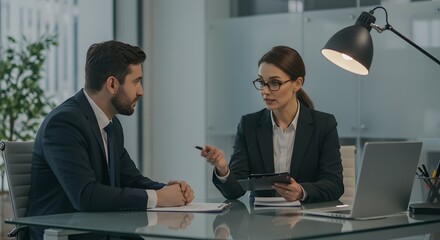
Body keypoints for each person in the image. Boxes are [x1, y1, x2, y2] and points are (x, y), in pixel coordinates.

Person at [26, 40, 194, 239]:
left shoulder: (110, 125)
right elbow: (85, 196)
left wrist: (169, 191)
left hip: (101, 231)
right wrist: (158, 198)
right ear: (112, 84)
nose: (141, 91)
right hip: (66, 235)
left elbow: (132, 180)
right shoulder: (64, 123)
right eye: (136, 81)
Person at [199, 46, 343, 203]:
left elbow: (334, 184)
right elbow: (235, 192)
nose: (265, 91)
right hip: (261, 221)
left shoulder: (323, 125)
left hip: (307, 220)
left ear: (297, 83)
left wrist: (301, 192)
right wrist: (222, 168)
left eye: (274, 83)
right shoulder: (249, 125)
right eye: (262, 82)